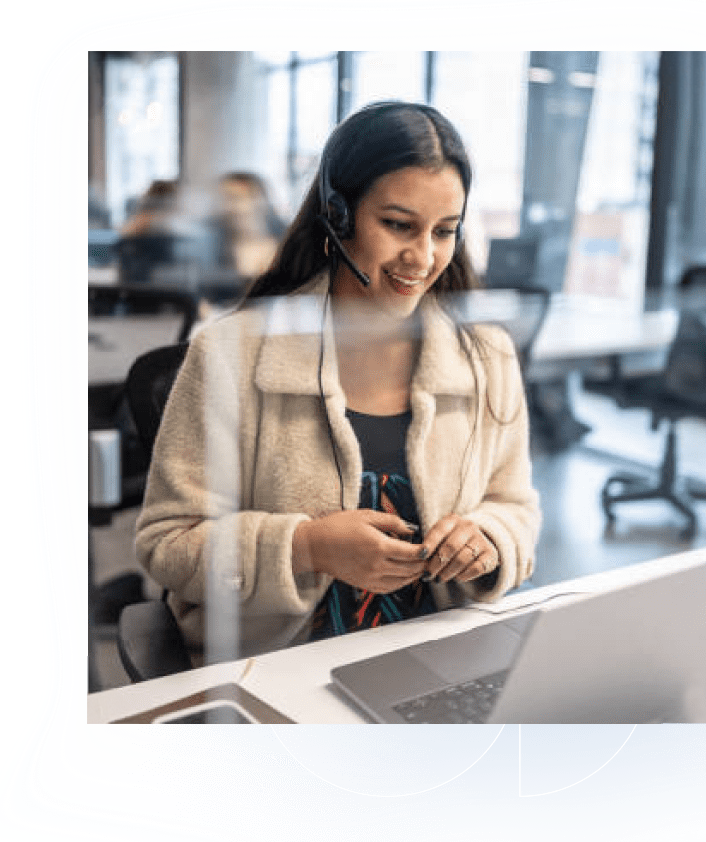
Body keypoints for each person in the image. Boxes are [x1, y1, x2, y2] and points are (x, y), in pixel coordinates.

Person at [134, 102, 541, 662]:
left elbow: (515, 507)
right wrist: (308, 547)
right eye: (399, 225)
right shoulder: (232, 354)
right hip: (277, 668)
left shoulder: (486, 356)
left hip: (437, 658)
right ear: (339, 214)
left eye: (444, 232)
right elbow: (168, 544)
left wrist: (489, 538)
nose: (422, 258)